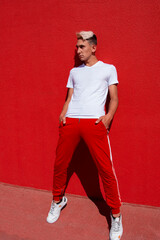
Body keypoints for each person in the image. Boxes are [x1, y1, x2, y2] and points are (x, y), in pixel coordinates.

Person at [46, 31, 123, 240]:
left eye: (82, 47)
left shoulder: (108, 69)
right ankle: (57, 200)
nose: (78, 51)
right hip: (71, 121)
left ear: (93, 47)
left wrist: (108, 117)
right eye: (77, 47)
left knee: (106, 169)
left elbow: (114, 97)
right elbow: (69, 97)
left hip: (94, 122)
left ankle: (116, 214)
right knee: (60, 164)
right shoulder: (74, 72)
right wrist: (63, 114)